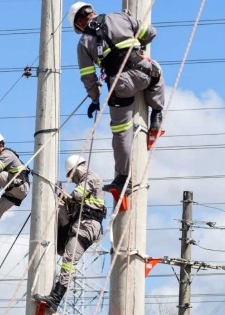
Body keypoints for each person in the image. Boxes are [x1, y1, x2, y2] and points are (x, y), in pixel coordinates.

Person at [69, 2, 165, 194]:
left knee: (121, 132)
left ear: (80, 23)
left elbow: (88, 77)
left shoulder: (83, 43)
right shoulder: (119, 17)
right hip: (143, 72)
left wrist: (94, 99)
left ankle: (123, 178)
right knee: (157, 74)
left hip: (119, 86)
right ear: (92, 12)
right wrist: (138, 44)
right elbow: (151, 32)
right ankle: (157, 113)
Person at [34, 155, 105, 312]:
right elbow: (74, 202)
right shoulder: (86, 180)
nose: (72, 180)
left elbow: (78, 195)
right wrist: (60, 195)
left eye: (72, 176)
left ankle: (56, 298)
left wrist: (65, 194)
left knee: (68, 261)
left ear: (77, 169)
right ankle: (60, 243)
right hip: (80, 224)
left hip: (87, 226)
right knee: (59, 205)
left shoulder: (92, 177)